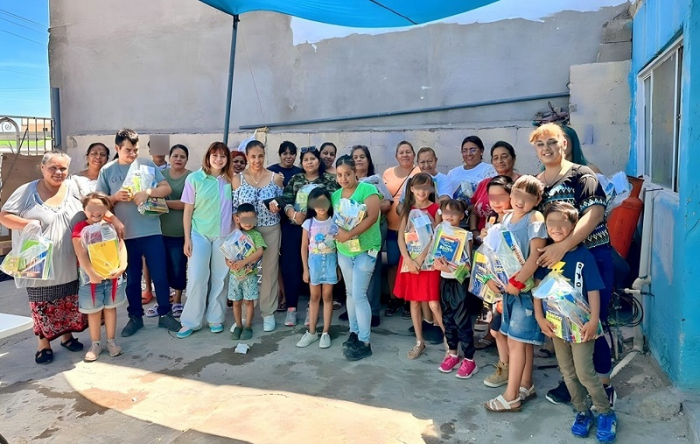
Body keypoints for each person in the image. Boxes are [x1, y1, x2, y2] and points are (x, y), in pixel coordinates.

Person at [531, 123, 617, 408]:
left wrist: (563, 246)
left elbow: (594, 214)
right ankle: (574, 382)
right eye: (540, 144)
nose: (546, 149)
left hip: (591, 257)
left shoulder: (583, 174)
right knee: (562, 321)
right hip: (556, 266)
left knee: (593, 322)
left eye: (552, 142)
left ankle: (603, 384)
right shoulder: (537, 182)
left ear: (564, 144)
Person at [0, 151, 95, 364]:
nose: (58, 172)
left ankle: (67, 337)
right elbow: (4, 216)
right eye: (53, 167)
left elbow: (94, 206)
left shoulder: (74, 189)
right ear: (42, 168)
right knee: (41, 303)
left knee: (68, 300)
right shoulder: (27, 191)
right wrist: (28, 224)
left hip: (69, 260)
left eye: (63, 168)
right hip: (37, 261)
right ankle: (43, 344)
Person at [534, 202, 617, 442]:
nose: (556, 227)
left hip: (581, 325)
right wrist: (540, 317)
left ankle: (605, 412)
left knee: (585, 373)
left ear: (573, 226)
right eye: (551, 222)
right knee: (568, 373)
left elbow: (593, 289)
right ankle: (582, 411)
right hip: (556, 325)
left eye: (563, 222)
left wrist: (593, 320)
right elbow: (538, 289)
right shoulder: (547, 254)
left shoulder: (583, 255)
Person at [96, 128, 180, 337]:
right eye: (128, 150)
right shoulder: (107, 171)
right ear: (117, 148)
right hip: (126, 235)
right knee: (133, 280)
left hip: (152, 231)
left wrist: (148, 192)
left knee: (160, 275)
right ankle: (135, 317)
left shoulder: (147, 164)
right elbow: (98, 205)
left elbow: (166, 188)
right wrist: (114, 198)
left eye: (135, 150)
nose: (133, 154)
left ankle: (165, 314)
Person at [484, 175, 547, 412]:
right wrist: (490, 277)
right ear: (511, 194)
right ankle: (525, 384)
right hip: (508, 289)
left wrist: (518, 282)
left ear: (537, 200)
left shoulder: (535, 218)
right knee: (519, 340)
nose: (521, 201)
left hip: (525, 290)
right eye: (517, 195)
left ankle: (511, 397)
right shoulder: (507, 217)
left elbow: (536, 256)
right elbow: (495, 252)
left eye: (529, 197)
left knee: (518, 342)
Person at [176, 142, 234, 338]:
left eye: (223, 156)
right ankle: (190, 321)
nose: (218, 159)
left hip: (223, 235)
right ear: (208, 157)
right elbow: (188, 211)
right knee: (196, 277)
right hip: (199, 235)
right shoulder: (194, 178)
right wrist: (187, 238)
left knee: (220, 278)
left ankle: (216, 318)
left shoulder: (230, 180)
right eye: (215, 155)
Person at [280, 146, 339, 327]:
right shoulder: (296, 179)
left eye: (313, 159)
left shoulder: (328, 180)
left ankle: (310, 309)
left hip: (321, 230)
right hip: (296, 228)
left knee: (315, 265)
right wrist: (292, 214)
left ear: (319, 161)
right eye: (306, 159)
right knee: (292, 266)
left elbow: (334, 201)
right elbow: (286, 199)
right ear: (302, 162)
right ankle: (291, 307)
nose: (309, 162)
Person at [333, 155, 381, 361]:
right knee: (350, 293)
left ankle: (365, 341)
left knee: (359, 295)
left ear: (355, 173)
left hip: (365, 250)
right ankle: (354, 332)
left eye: (347, 174)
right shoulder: (335, 195)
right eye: (339, 175)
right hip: (344, 251)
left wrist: (349, 234)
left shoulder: (368, 190)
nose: (343, 178)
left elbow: (372, 217)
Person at [232, 140, 284, 332]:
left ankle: (268, 312)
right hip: (246, 232)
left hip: (270, 228)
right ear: (247, 156)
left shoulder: (275, 178)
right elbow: (234, 208)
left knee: (270, 271)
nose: (257, 160)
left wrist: (277, 206)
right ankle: (245, 315)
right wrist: (237, 231)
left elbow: (282, 201)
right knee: (246, 271)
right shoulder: (238, 179)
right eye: (253, 156)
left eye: (260, 156)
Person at [71, 192, 128, 362]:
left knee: (111, 308)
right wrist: (92, 273)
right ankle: (95, 343)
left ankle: (111, 341)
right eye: (91, 209)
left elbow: (121, 246)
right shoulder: (80, 228)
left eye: (100, 208)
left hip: (113, 276)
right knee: (94, 312)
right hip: (90, 279)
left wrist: (122, 266)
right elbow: (80, 253)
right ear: (84, 210)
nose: (96, 212)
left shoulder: (110, 226)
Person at [393, 173, 444, 360]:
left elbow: (436, 237)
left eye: (426, 187)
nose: (422, 191)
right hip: (410, 263)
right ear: (412, 189)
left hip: (428, 263)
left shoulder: (436, 209)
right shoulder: (408, 209)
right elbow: (401, 237)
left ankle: (450, 343)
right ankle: (419, 341)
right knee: (414, 302)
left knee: (433, 302)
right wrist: (408, 260)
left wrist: (421, 259)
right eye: (418, 187)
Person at [433, 199, 482, 378]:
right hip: (444, 280)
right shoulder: (439, 231)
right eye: (446, 212)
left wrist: (450, 269)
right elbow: (433, 255)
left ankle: (469, 359)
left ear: (462, 216)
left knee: (462, 320)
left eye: (454, 213)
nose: (449, 216)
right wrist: (436, 264)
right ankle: (453, 354)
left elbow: (468, 266)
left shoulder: (465, 235)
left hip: (460, 283)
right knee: (447, 319)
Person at [479, 175, 515, 388]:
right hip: (494, 285)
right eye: (491, 197)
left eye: (501, 196)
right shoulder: (492, 220)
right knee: (495, 330)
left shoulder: (516, 221)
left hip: (514, 286)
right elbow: (486, 255)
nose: (496, 201)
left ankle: (516, 372)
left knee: (508, 333)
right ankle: (505, 366)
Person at [351, 145, 393, 326]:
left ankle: (373, 310)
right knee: (352, 267)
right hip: (353, 232)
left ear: (368, 160)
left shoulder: (375, 180)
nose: (359, 160)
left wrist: (369, 207)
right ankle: (353, 309)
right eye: (355, 157)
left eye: (362, 156)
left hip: (375, 230)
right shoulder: (347, 180)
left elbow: (388, 203)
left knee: (372, 268)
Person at [382, 141, 420, 317]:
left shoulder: (419, 172)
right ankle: (394, 298)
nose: (405, 155)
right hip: (392, 227)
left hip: (413, 231)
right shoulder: (388, 173)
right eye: (401, 152)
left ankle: (409, 300)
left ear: (413, 154)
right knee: (393, 264)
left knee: (410, 265)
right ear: (396, 156)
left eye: (408, 152)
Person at [297, 188, 338, 349]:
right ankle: (312, 332)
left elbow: (339, 246)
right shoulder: (308, 223)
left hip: (330, 261)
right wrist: (305, 269)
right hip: (314, 263)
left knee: (327, 296)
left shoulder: (335, 221)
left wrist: (338, 268)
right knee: (314, 297)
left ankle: (326, 332)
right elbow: (303, 247)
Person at [156, 144, 192, 318]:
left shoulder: (191, 177)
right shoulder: (160, 175)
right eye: (175, 156)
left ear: (187, 159)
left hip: (180, 231)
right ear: (169, 158)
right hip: (159, 231)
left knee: (178, 268)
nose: (178, 159)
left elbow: (186, 204)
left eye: (182, 156)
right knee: (161, 269)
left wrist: (163, 203)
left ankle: (177, 300)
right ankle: (163, 302)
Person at [267, 141, 302, 312]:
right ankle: (281, 293)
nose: (288, 156)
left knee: (290, 260)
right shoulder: (271, 171)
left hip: (293, 222)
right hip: (274, 220)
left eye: (292, 153)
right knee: (276, 260)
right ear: (280, 154)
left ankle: (289, 294)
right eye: (285, 153)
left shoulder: (300, 172)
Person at [228, 203, 267, 341]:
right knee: (236, 302)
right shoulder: (234, 235)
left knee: (248, 302)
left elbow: (260, 251)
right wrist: (228, 262)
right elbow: (227, 252)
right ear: (237, 219)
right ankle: (238, 326)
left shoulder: (256, 235)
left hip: (250, 275)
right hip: (234, 275)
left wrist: (244, 262)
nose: (248, 223)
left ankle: (248, 326)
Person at [470, 141, 520, 234]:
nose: (500, 161)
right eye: (495, 158)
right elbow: (474, 210)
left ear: (513, 159)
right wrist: (474, 231)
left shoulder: (522, 184)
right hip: (483, 237)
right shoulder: (484, 183)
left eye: (504, 156)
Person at [448, 136, 497, 206]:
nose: (468, 154)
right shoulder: (453, 172)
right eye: (465, 151)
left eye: (473, 150)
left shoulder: (489, 170)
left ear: (481, 151)